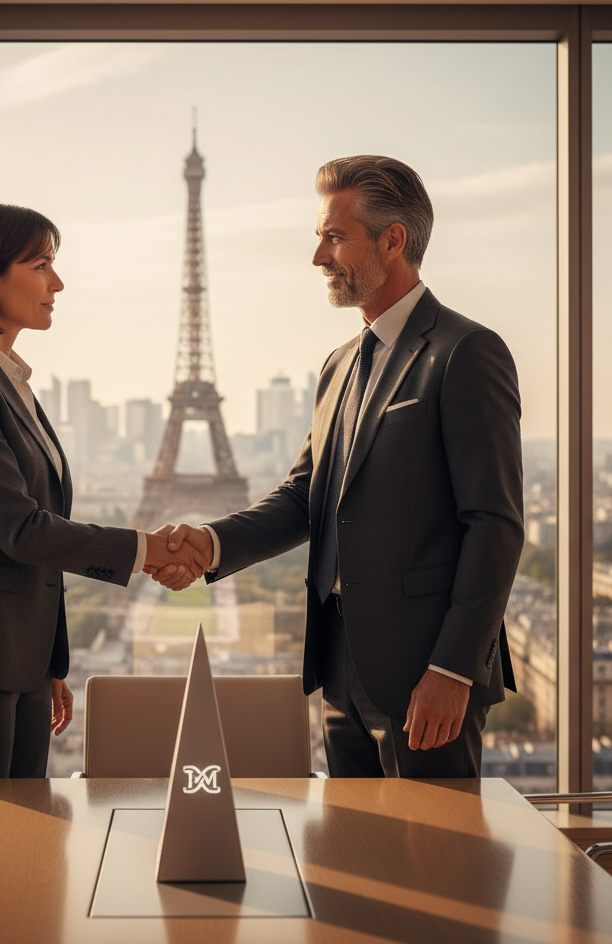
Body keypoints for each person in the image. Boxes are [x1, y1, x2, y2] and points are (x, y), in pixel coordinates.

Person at [157, 156, 523, 777]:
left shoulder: (464, 352)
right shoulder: (341, 363)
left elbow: (494, 524)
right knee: (357, 866)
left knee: (433, 866)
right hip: (337, 673)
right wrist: (212, 542)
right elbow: (307, 497)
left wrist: (453, 669)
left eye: (334, 237)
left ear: (393, 240)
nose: (318, 258)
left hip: (424, 676)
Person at [0, 200, 207, 778]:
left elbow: (31, 536)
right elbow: (21, 530)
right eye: (41, 265)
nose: (57, 282)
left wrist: (46, 663)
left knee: (18, 843)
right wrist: (146, 550)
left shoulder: (6, 380)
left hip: (15, 656)